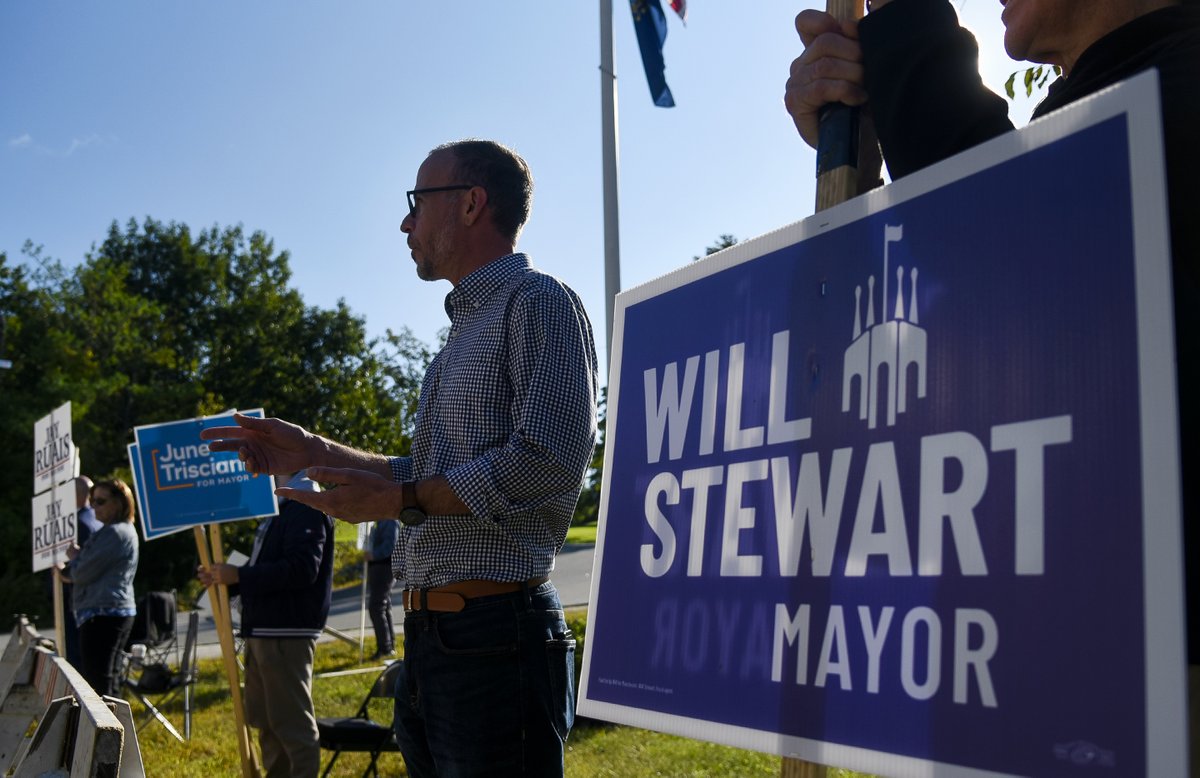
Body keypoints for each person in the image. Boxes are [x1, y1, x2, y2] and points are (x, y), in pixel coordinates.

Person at [785, 0, 1200, 763]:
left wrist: (903, 45)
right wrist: (864, 149)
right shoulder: (1080, 109)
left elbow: (1036, 259)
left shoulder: (1175, 88)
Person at [201, 138, 599, 777]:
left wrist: (400, 498)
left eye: (418, 202)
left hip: (496, 636)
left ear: (471, 204)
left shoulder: (538, 302)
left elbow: (547, 461)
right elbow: (428, 476)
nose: (406, 222)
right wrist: (316, 452)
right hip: (436, 647)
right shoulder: (459, 336)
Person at [197, 470, 334, 778]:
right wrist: (226, 579)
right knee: (267, 721)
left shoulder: (307, 505)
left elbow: (302, 569)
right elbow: (267, 566)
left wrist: (240, 577)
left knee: (291, 724)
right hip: (263, 628)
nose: (254, 469)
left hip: (285, 631)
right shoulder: (281, 507)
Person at [62, 478, 139, 697]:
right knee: (105, 679)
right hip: (106, 611)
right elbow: (91, 564)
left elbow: (82, 572)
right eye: (92, 501)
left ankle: (107, 730)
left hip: (104, 613)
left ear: (119, 503)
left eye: (100, 501)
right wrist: (79, 558)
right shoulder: (114, 531)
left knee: (99, 682)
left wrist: (67, 569)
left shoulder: (115, 532)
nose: (93, 506)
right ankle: (112, 728)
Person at [364, 519, 399, 660]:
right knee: (384, 606)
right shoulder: (378, 520)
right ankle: (389, 646)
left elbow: (390, 546)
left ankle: (385, 648)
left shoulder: (389, 520)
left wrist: (374, 554)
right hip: (378, 567)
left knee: (376, 607)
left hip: (384, 567)